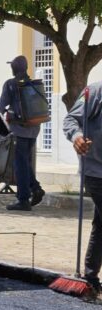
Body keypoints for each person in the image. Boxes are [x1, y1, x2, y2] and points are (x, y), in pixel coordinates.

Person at [64, 82, 102, 292]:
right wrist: (77, 137)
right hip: (96, 172)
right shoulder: (95, 92)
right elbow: (70, 120)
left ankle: (90, 277)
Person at [0, 55, 45, 211]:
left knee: (20, 165)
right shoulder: (33, 84)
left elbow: (0, 107)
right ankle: (36, 189)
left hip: (19, 131)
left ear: (13, 68)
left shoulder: (11, 84)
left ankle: (23, 199)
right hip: (33, 129)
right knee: (25, 162)